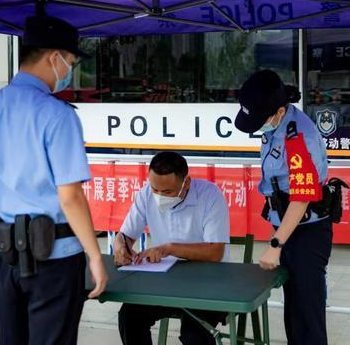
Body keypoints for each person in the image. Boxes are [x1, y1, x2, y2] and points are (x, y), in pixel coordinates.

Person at [0, 15, 107, 345]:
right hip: (54, 258)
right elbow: (70, 195)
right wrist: (96, 257)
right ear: (53, 57)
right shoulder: (57, 115)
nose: (69, 70)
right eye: (70, 61)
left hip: (3, 254)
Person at [234, 69, 332, 345]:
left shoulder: (298, 138)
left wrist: (276, 245)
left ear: (278, 112)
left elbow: (301, 199)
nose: (257, 126)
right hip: (289, 226)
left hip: (306, 232)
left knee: (306, 313)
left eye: (259, 120)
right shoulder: (277, 122)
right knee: (295, 310)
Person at [113, 151, 230, 345]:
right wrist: (120, 246)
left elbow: (215, 252)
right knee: (129, 316)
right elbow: (125, 235)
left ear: (187, 182)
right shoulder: (145, 194)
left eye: (167, 192)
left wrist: (169, 248)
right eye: (154, 189)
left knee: (194, 335)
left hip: (209, 285)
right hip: (164, 285)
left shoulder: (210, 195)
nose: (159, 195)